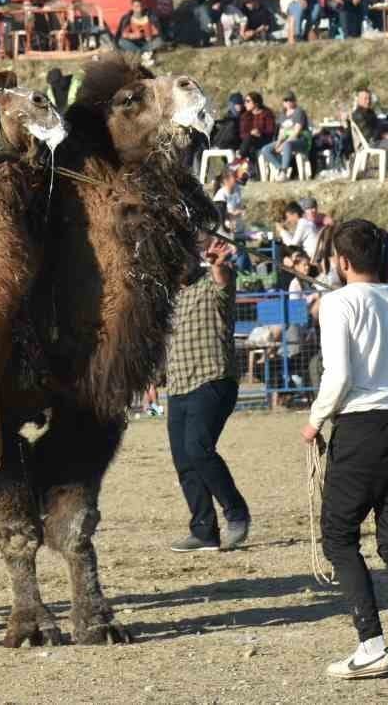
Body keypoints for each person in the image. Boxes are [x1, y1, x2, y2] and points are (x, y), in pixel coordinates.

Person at [302, 220, 388, 679]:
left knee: (338, 535)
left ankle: (370, 643)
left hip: (359, 425)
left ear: (342, 262)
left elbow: (338, 376)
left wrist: (315, 420)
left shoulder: (336, 304)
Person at [163, 237, 249, 553]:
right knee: (184, 461)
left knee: (198, 448)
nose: (178, 264)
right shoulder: (170, 301)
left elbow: (223, 281)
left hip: (212, 380)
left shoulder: (212, 285)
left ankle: (236, 513)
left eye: (183, 257)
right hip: (177, 386)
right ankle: (203, 531)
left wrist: (218, 265)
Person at [258, 93, 310, 178]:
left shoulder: (299, 112)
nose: (288, 102)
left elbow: (296, 132)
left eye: (290, 100)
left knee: (287, 144)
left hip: (301, 140)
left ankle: (284, 170)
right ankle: (280, 168)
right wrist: (278, 144)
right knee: (265, 149)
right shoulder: (283, 115)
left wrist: (282, 146)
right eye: (286, 100)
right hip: (286, 140)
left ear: (294, 101)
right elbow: (281, 133)